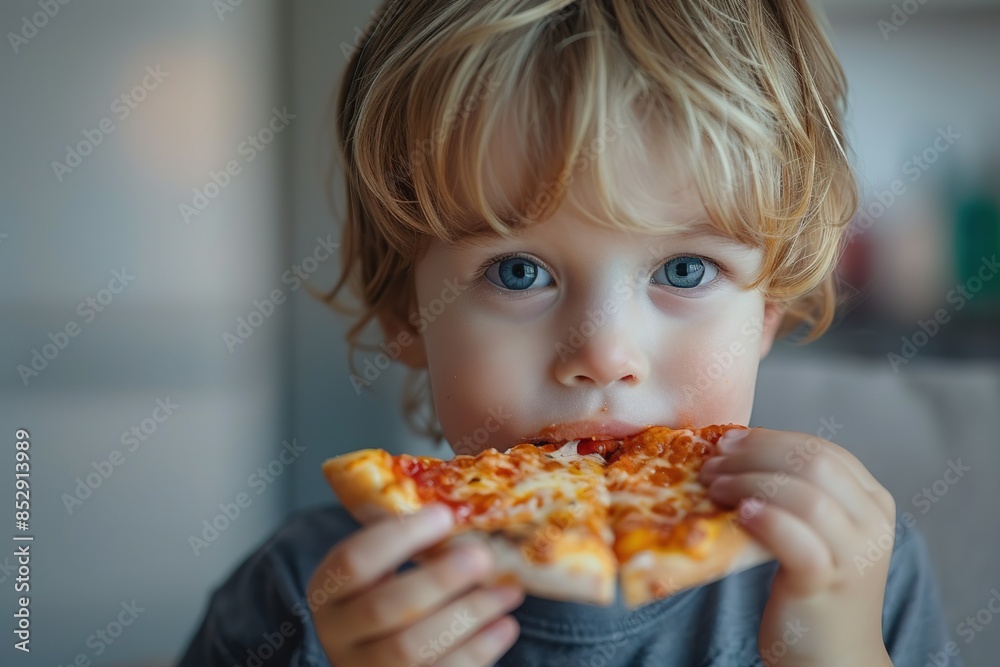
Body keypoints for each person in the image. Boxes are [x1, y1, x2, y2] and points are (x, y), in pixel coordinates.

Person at [178, 1, 957, 665]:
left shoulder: (857, 573)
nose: (603, 355)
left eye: (684, 270)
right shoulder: (300, 595)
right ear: (404, 313)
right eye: (518, 272)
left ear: (768, 310)